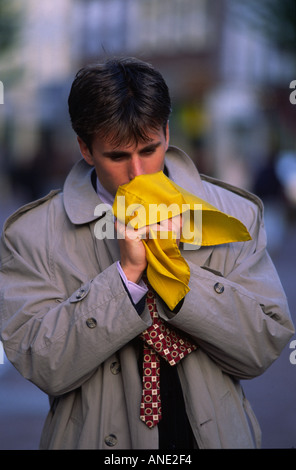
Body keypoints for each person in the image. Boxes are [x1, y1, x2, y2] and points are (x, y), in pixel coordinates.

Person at [0, 57, 294, 450]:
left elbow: (261, 349)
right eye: (118, 157)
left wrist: (179, 276)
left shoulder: (233, 215)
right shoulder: (33, 234)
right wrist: (124, 278)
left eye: (149, 149)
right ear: (85, 149)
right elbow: (41, 364)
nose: (138, 173)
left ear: (167, 134)